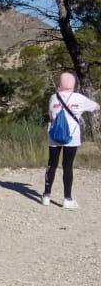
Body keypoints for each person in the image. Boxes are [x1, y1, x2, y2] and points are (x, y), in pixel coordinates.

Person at [43, 72, 98, 209]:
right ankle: (67, 199)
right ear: (73, 84)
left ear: (60, 83)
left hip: (54, 136)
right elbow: (96, 106)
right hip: (71, 138)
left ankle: (46, 196)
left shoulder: (53, 97)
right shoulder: (79, 98)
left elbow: (50, 115)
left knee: (52, 164)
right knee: (67, 166)